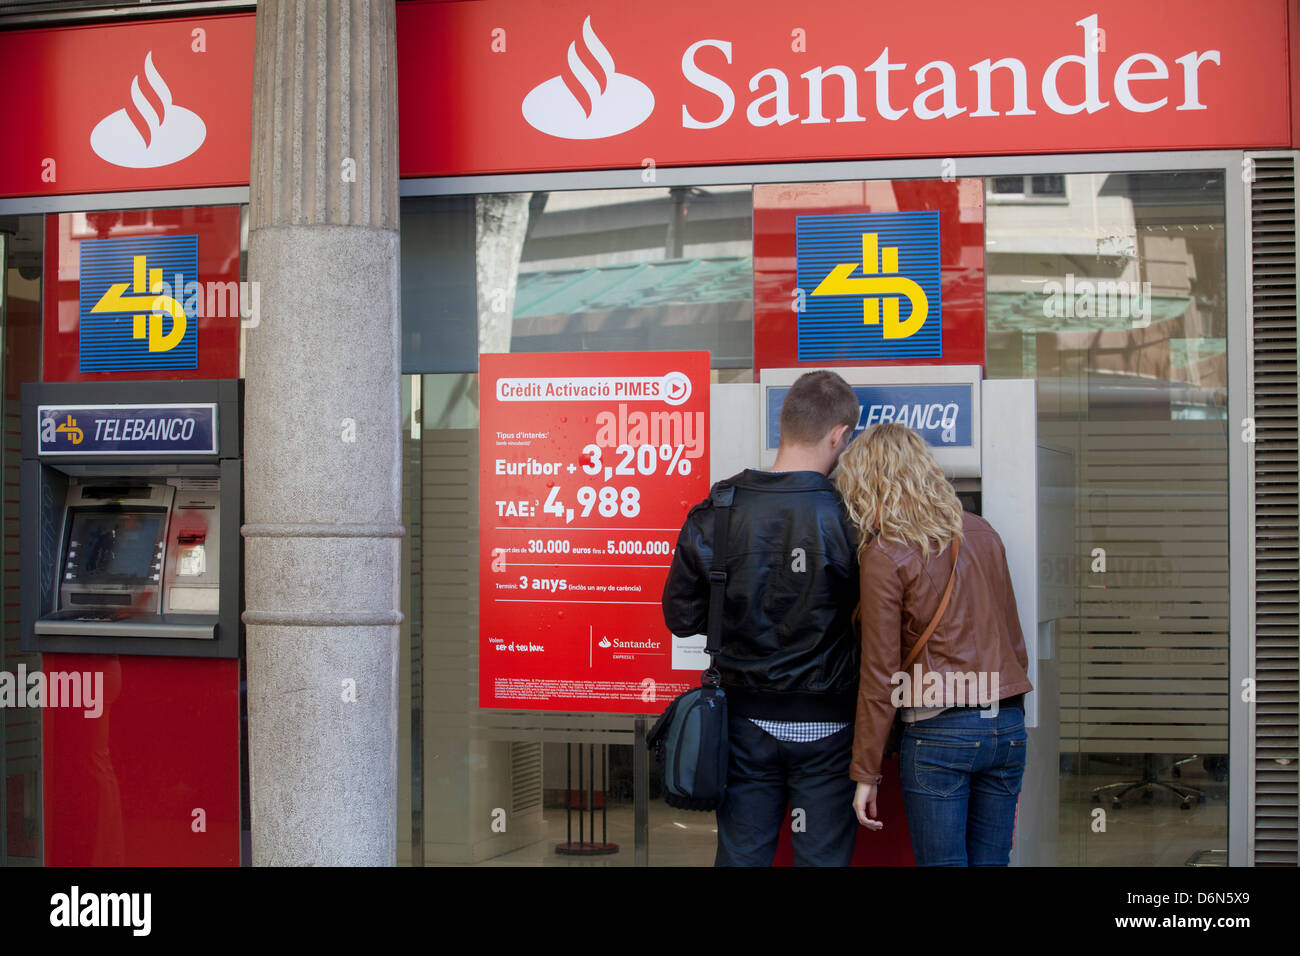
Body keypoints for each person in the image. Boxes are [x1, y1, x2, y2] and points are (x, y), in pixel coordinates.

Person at [662, 369, 862, 866]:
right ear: (839, 436)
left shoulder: (717, 510)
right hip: (830, 725)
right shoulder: (852, 516)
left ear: (784, 423)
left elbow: (681, 618)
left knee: (742, 856)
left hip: (744, 721)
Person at [834, 423, 1033, 866]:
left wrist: (865, 773)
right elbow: (1013, 641)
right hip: (1007, 728)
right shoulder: (983, 531)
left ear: (868, 483)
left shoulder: (885, 553)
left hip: (940, 734)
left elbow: (881, 674)